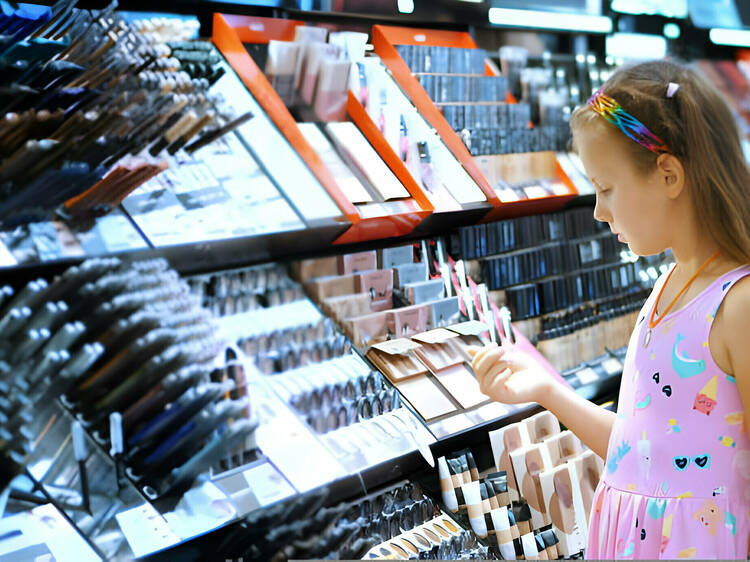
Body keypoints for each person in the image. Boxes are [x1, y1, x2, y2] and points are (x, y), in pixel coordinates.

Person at [470, 59, 750, 559]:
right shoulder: (667, 286)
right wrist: (545, 391)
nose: (599, 211)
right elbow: (639, 454)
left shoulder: (738, 305)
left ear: (668, 174)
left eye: (606, 188)